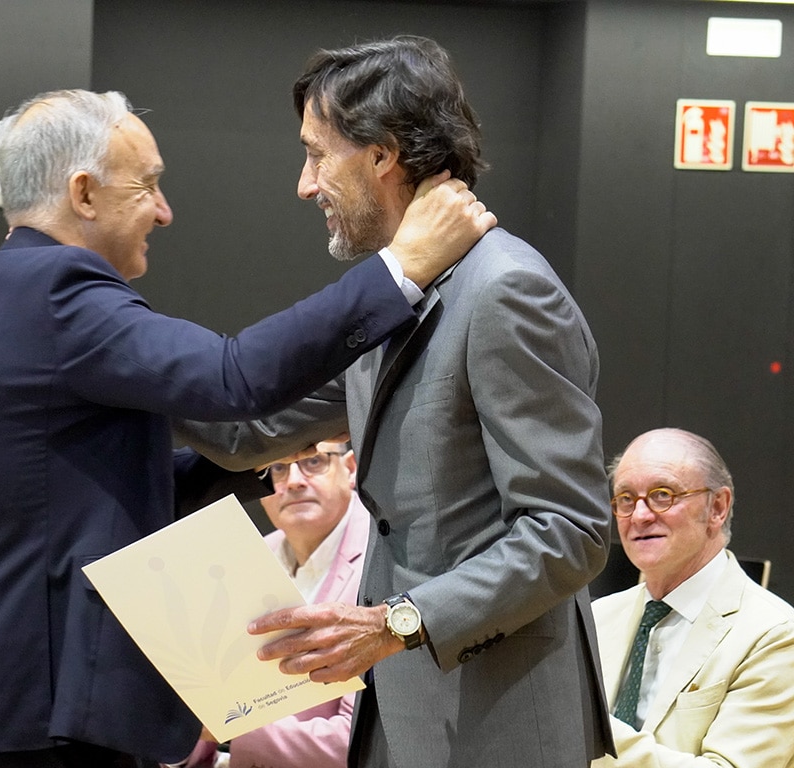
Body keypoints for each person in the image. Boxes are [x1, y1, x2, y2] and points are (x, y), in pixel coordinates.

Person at [0, 89, 495, 768]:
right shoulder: (59, 292)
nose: (166, 212)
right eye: (149, 185)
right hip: (23, 719)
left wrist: (276, 457)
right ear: (83, 193)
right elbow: (235, 378)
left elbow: (91, 495)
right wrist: (401, 268)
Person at [176, 36, 614, 767]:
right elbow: (249, 429)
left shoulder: (506, 290)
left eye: (318, 155)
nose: (304, 183)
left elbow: (569, 532)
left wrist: (397, 623)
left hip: (498, 730)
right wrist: (100, 346)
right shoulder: (399, 293)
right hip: (404, 718)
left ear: (382, 154)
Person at [590, 428, 794, 767]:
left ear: (717, 507)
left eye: (662, 494)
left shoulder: (776, 635)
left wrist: (588, 729)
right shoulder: (598, 617)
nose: (639, 516)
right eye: (626, 499)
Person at [185, 441, 369, 768]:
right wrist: (182, 745)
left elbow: (366, 738)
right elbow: (214, 701)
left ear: (351, 468)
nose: (294, 480)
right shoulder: (246, 559)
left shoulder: (383, 560)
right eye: (278, 468)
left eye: (313, 461)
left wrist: (230, 729)